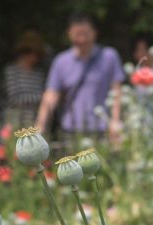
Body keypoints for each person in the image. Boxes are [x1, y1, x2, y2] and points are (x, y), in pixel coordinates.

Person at [36, 13, 124, 141]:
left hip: (102, 132)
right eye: (77, 34)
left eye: (86, 34)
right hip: (70, 133)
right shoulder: (61, 61)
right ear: (69, 33)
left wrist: (116, 121)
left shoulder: (109, 57)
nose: (82, 39)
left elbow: (116, 92)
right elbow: (51, 95)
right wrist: (40, 126)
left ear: (95, 32)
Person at [2, 31, 46, 128]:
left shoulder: (39, 73)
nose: (35, 57)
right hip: (15, 121)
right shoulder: (12, 71)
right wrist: (41, 97)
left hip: (34, 122)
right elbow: (14, 98)